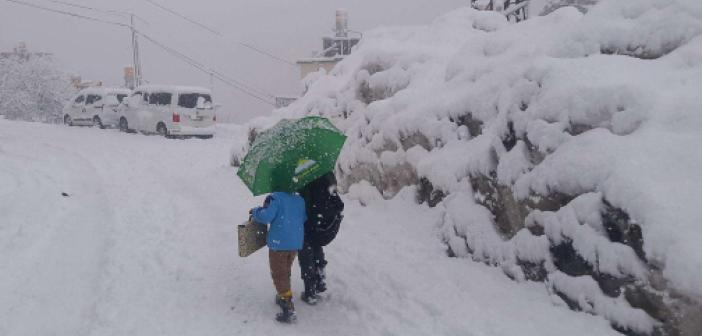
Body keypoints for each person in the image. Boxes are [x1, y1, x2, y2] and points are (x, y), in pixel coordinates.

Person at [250, 191, 306, 323]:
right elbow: (303, 218)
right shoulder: (299, 199)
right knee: (285, 269)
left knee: (278, 273)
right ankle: (283, 294)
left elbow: (266, 217)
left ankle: (288, 307)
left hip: (279, 243)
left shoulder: (276, 198)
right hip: (295, 242)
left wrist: (255, 211)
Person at [297, 173, 344, 305]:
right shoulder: (325, 171)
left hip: (310, 221)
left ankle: (310, 291)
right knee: (316, 245)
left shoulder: (302, 174)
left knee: (306, 252)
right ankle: (320, 279)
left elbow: (303, 202)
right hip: (325, 223)